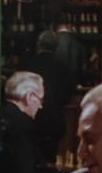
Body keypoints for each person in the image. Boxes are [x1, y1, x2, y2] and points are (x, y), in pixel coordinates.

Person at [24, 30, 70, 163]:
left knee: (30, 157)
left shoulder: (29, 65)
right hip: (54, 120)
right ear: (56, 47)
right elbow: (68, 93)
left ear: (38, 44)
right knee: (50, 158)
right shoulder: (63, 67)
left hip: (32, 120)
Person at [52, 14, 86, 93]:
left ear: (55, 25)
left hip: (55, 86)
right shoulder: (78, 41)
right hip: (73, 86)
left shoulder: (52, 41)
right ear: (69, 25)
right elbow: (83, 67)